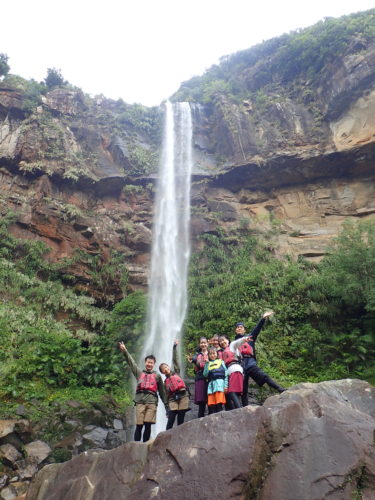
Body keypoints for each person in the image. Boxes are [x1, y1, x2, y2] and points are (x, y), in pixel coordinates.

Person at [118, 341, 168, 442]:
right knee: (139, 425)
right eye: (148, 362)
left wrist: (167, 407)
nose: (149, 364)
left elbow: (162, 392)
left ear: (154, 364)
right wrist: (125, 351)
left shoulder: (157, 376)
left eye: (151, 363)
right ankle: (136, 446)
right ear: (145, 363)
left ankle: (145, 446)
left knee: (148, 424)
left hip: (152, 402)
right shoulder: (139, 373)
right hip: (140, 402)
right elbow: (131, 363)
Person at [235, 312, 286, 406]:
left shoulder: (249, 338)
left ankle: (280, 389)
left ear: (244, 330)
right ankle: (245, 408)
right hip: (240, 365)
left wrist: (263, 319)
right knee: (243, 389)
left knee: (264, 376)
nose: (239, 328)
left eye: (241, 327)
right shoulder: (234, 342)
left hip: (250, 362)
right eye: (237, 327)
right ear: (235, 330)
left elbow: (257, 329)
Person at [159, 340, 190, 430]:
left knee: (181, 417)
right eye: (163, 369)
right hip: (173, 399)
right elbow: (165, 395)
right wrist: (166, 408)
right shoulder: (165, 383)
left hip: (183, 395)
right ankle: (165, 437)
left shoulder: (176, 372)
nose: (165, 369)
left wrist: (174, 348)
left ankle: (179, 437)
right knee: (171, 417)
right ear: (162, 372)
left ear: (169, 367)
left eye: (166, 367)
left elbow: (175, 360)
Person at [218, 334, 250, 409]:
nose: (222, 342)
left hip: (235, 369)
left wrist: (244, 339)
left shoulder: (232, 346)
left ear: (228, 340)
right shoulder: (223, 352)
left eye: (223, 340)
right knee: (233, 393)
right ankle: (238, 409)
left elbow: (237, 342)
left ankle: (239, 410)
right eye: (220, 341)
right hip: (231, 371)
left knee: (232, 392)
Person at [203, 347, 228, 414]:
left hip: (219, 385)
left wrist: (226, 386)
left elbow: (226, 374)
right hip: (211, 387)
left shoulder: (221, 362)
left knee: (219, 404)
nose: (212, 355)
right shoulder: (208, 363)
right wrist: (206, 364)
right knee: (212, 406)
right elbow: (205, 374)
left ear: (217, 354)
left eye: (214, 353)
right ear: (208, 355)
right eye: (210, 354)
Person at [188, 337, 209, 418]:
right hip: (200, 377)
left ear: (207, 343)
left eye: (204, 342)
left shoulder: (212, 353)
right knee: (201, 402)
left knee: (210, 401)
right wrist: (192, 360)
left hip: (210, 378)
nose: (203, 344)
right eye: (201, 343)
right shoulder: (197, 355)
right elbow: (193, 359)